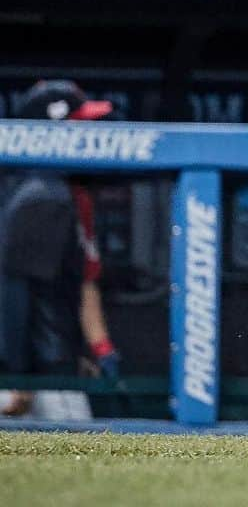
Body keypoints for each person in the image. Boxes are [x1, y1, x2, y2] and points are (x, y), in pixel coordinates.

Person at [0, 80, 120, 421]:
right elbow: (12, 289)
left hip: (43, 362)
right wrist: (17, 371)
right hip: (25, 373)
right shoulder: (39, 195)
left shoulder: (68, 191)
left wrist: (98, 348)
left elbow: (80, 280)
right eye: (80, 127)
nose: (90, 138)